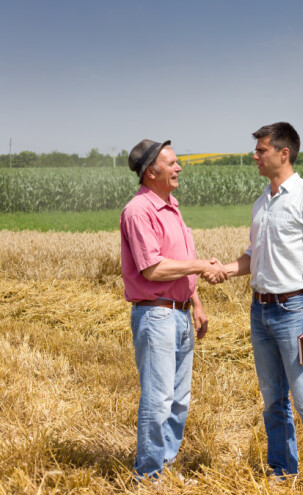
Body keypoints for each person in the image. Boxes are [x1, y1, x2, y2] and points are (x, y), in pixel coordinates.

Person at [216, 122, 303, 493]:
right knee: (272, 399)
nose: (255, 156)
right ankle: (282, 469)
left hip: (294, 310)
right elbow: (253, 256)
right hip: (260, 310)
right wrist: (226, 270)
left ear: (283, 154)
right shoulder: (261, 203)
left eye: (261, 150)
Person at [120, 139, 227, 480]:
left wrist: (196, 303)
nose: (179, 168)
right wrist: (201, 265)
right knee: (159, 399)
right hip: (156, 315)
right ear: (151, 172)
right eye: (172, 163)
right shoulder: (139, 211)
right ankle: (148, 475)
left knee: (179, 400)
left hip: (178, 313)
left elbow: (179, 260)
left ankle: (164, 465)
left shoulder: (171, 207)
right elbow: (153, 269)